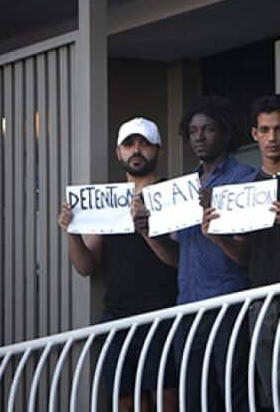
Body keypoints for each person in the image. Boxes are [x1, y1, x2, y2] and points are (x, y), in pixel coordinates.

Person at [133, 96, 255, 411]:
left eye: (208, 130)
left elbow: (245, 255)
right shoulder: (183, 188)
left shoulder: (243, 179)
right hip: (188, 307)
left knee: (233, 392)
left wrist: (214, 227)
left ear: (226, 133)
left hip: (228, 302)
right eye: (193, 131)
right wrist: (149, 234)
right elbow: (178, 259)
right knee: (195, 397)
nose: (199, 138)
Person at [202, 94, 280, 411]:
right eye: (265, 130)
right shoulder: (247, 187)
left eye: (279, 129)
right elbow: (243, 256)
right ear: (254, 134)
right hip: (260, 299)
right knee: (270, 389)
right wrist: (218, 237)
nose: (272, 137)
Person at [58, 117, 178, 412]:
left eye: (144, 143)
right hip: (117, 317)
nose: (136, 150)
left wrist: (146, 229)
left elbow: (179, 259)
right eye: (129, 144)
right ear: (118, 153)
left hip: (163, 314)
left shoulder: (171, 193)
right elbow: (86, 266)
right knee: (125, 400)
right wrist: (71, 232)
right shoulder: (105, 201)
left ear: (157, 149)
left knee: (166, 398)